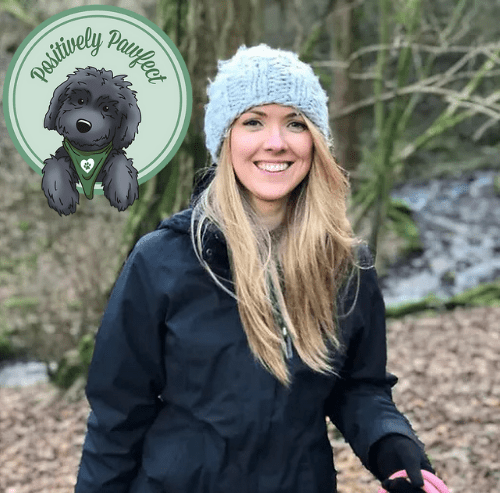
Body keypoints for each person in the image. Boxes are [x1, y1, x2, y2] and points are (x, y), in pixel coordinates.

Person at [75, 45, 444, 493]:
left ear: (315, 141)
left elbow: (359, 387)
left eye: (295, 122)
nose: (276, 142)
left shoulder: (345, 264)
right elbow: (117, 415)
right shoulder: (162, 261)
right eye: (253, 121)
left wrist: (393, 447)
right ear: (225, 140)